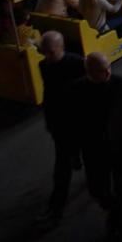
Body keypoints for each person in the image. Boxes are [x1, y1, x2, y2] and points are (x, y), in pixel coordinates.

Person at [69, 52, 122, 242]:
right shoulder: (78, 90)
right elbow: (74, 126)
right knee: (97, 188)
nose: (108, 72)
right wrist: (74, 154)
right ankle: (113, 208)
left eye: (109, 67)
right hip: (94, 152)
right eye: (103, 70)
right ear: (90, 72)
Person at [36, 32, 84, 226]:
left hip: (81, 123)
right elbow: (49, 97)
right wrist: (51, 123)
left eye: (50, 51)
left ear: (60, 48)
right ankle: (56, 209)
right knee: (61, 170)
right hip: (62, 127)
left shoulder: (77, 64)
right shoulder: (44, 66)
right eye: (44, 51)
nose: (46, 55)